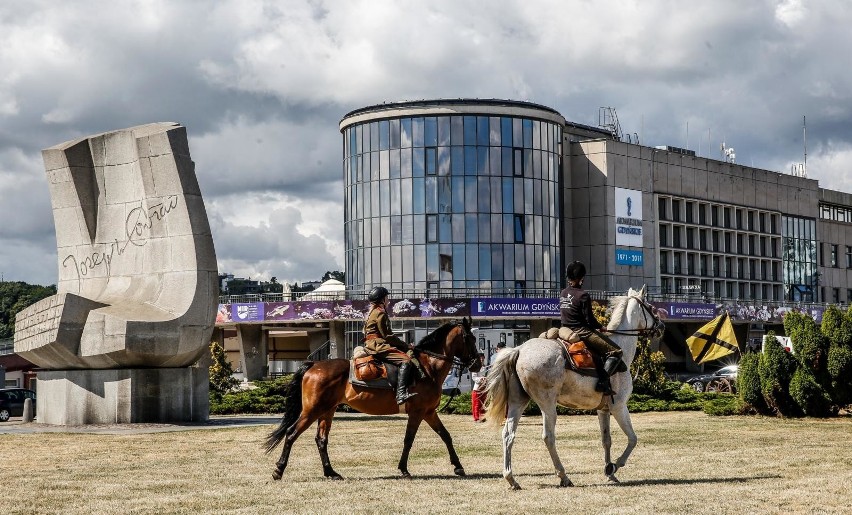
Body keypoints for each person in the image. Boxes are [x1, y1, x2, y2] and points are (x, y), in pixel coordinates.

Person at [559, 261, 623, 395]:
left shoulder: (563, 293)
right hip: (581, 331)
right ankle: (602, 383)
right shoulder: (583, 295)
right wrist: (601, 327)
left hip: (565, 329)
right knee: (616, 351)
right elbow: (589, 320)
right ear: (581, 278)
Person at [363, 286, 420, 404]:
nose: (388, 300)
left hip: (370, 344)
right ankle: (401, 394)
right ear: (382, 300)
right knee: (406, 360)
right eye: (387, 297)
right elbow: (388, 336)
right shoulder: (380, 313)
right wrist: (406, 346)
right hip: (377, 346)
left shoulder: (371, 312)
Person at [470, 353, 487, 422]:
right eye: (480, 358)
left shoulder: (485, 367)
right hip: (477, 388)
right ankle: (476, 418)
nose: (482, 359)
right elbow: (474, 377)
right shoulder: (475, 367)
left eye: (483, 358)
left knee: (483, 404)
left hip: (484, 387)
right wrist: (481, 379)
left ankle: (482, 417)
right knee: (476, 404)